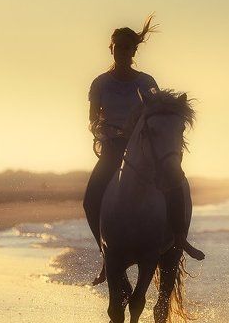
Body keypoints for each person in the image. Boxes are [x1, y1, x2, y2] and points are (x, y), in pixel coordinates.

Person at [84, 17, 203, 286]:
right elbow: (92, 119)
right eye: (118, 47)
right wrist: (101, 130)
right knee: (90, 199)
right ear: (111, 49)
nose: (122, 52)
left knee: (176, 182)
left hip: (144, 147)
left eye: (127, 47)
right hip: (113, 148)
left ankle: (180, 238)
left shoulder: (146, 81)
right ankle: (105, 252)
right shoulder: (100, 83)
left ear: (134, 51)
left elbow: (158, 112)